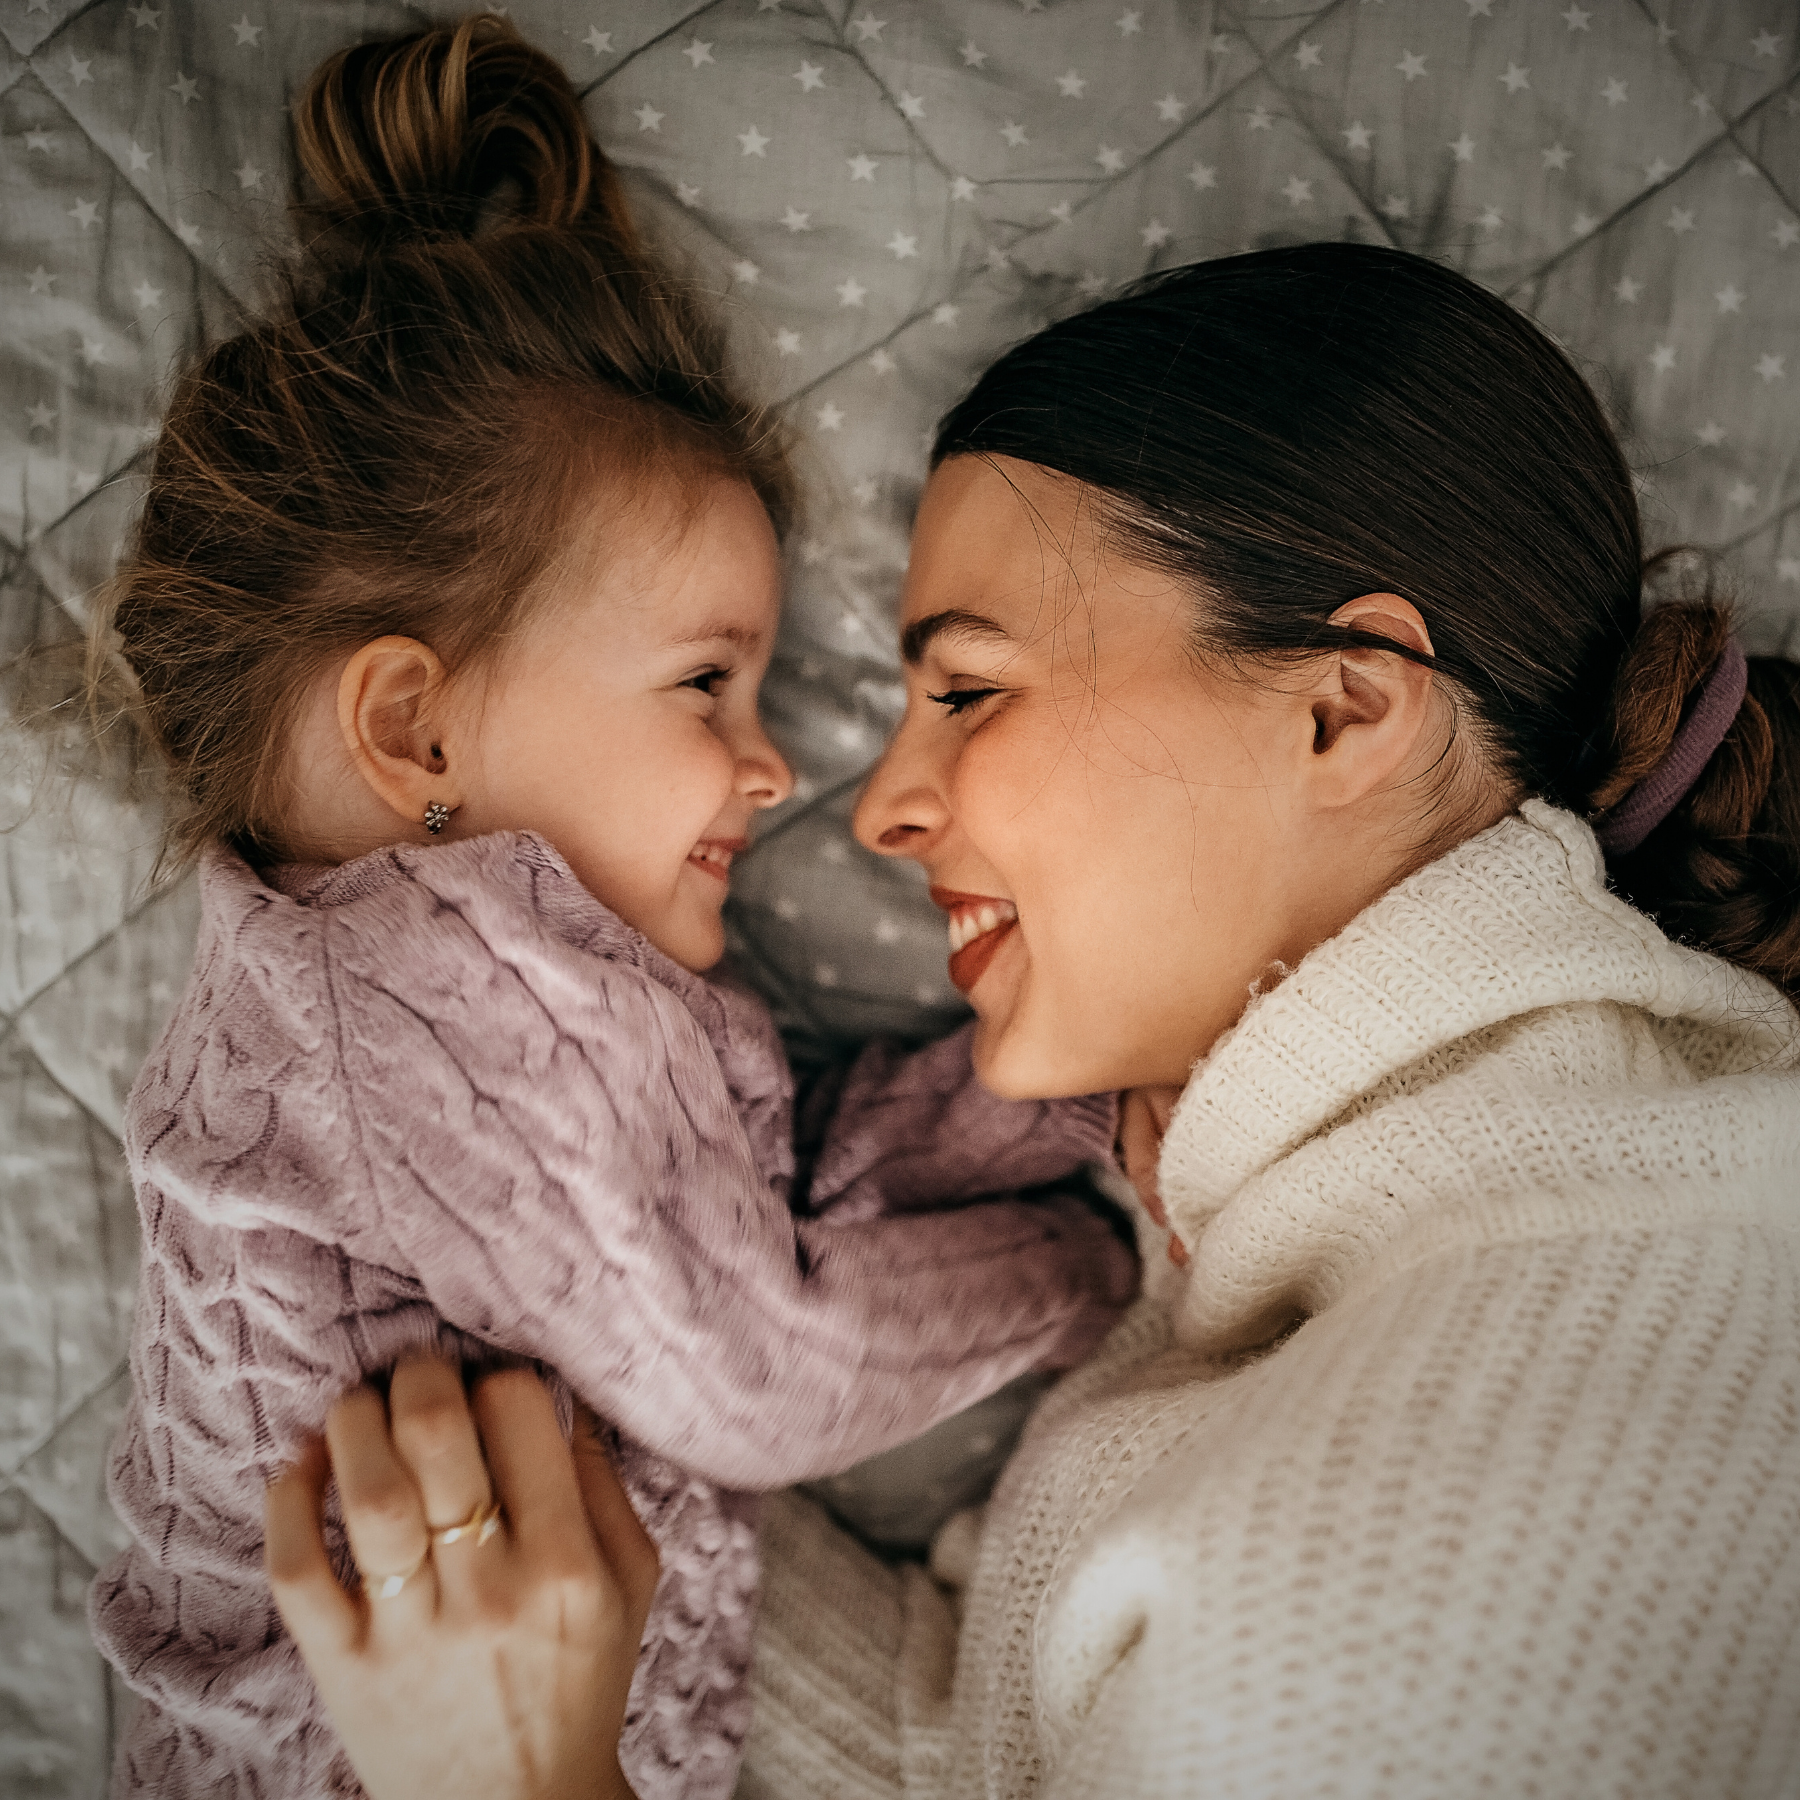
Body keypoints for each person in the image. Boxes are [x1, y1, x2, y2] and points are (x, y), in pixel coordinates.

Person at [274, 239, 1800, 1797]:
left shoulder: (1501, 1469)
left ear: (1342, 711)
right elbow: (985, 1742)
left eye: (968, 691)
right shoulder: (1470, 1235)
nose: (876, 814)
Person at [86, 18, 1140, 1798]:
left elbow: (782, 1203)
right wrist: (1095, 1277)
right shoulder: (399, 990)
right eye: (705, 687)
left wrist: (1077, 1076)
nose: (770, 769)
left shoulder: (484, 982)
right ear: (413, 725)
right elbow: (756, 1363)